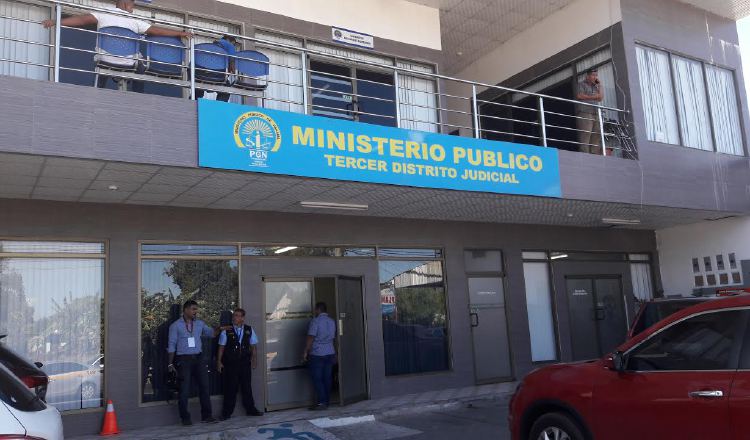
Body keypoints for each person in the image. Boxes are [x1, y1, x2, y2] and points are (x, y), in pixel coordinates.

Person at [42, 0, 192, 92]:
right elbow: (157, 31)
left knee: (101, 63)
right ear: (126, 5)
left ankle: (99, 89)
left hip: (104, 59)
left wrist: (56, 22)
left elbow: (81, 20)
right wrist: (180, 33)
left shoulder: (103, 13)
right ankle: (138, 95)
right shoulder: (134, 20)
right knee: (141, 65)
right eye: (132, 6)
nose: (132, 10)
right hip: (129, 63)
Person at [167, 300, 227, 426]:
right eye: (194, 309)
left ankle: (207, 416)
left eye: (196, 309)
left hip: (199, 359)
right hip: (183, 360)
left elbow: (211, 333)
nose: (196, 312)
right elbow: (171, 345)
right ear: (186, 310)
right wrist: (170, 364)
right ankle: (185, 418)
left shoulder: (199, 324)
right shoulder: (175, 326)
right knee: (184, 390)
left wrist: (220, 328)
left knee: (205, 387)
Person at [216, 308, 263, 420]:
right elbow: (221, 348)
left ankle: (251, 409)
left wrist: (254, 359)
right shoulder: (226, 330)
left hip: (244, 363)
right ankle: (226, 413)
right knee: (230, 388)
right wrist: (219, 362)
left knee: (247, 387)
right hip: (231, 364)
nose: (234, 318)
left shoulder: (249, 329)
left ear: (242, 318)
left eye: (237, 316)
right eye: (234, 315)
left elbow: (253, 346)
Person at [302, 302, 336, 410]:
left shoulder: (315, 321)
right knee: (327, 378)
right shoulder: (332, 321)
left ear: (318, 310)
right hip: (330, 352)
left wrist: (305, 351)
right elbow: (334, 338)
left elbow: (311, 337)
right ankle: (326, 401)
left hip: (317, 353)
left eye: (315, 309)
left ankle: (321, 402)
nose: (314, 311)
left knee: (317, 378)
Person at [195, 35, 238, 102]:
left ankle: (194, 102)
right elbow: (231, 62)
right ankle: (219, 107)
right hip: (216, 75)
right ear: (228, 40)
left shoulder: (209, 47)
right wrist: (235, 74)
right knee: (226, 90)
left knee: (198, 87)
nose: (233, 45)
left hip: (200, 73)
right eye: (233, 43)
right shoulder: (229, 45)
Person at [575, 68, 604, 155]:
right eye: (593, 75)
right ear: (587, 76)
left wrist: (600, 85)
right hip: (585, 112)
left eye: (596, 75)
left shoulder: (596, 86)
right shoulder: (581, 84)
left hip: (595, 112)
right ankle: (585, 154)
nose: (595, 77)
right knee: (586, 133)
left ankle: (594, 155)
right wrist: (594, 96)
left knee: (596, 133)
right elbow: (579, 96)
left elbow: (601, 97)